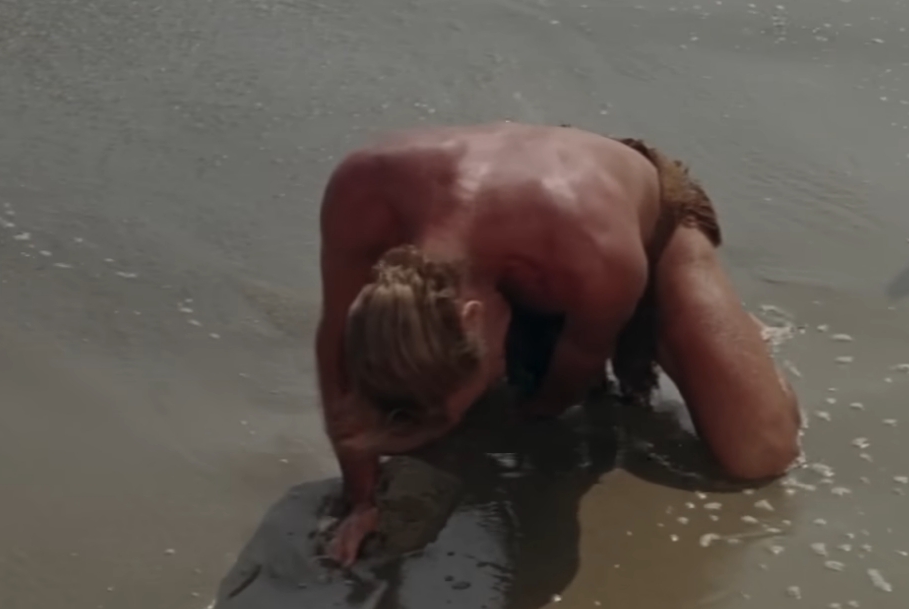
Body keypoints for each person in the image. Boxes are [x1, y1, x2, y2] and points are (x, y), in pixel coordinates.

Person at [315, 122, 802, 564]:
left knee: (759, 453)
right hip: (538, 248)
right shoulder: (361, 192)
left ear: (473, 318)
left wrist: (532, 410)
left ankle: (721, 323)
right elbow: (335, 346)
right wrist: (361, 498)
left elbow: (573, 376)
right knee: (419, 418)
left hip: (628, 223)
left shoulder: (596, 252)